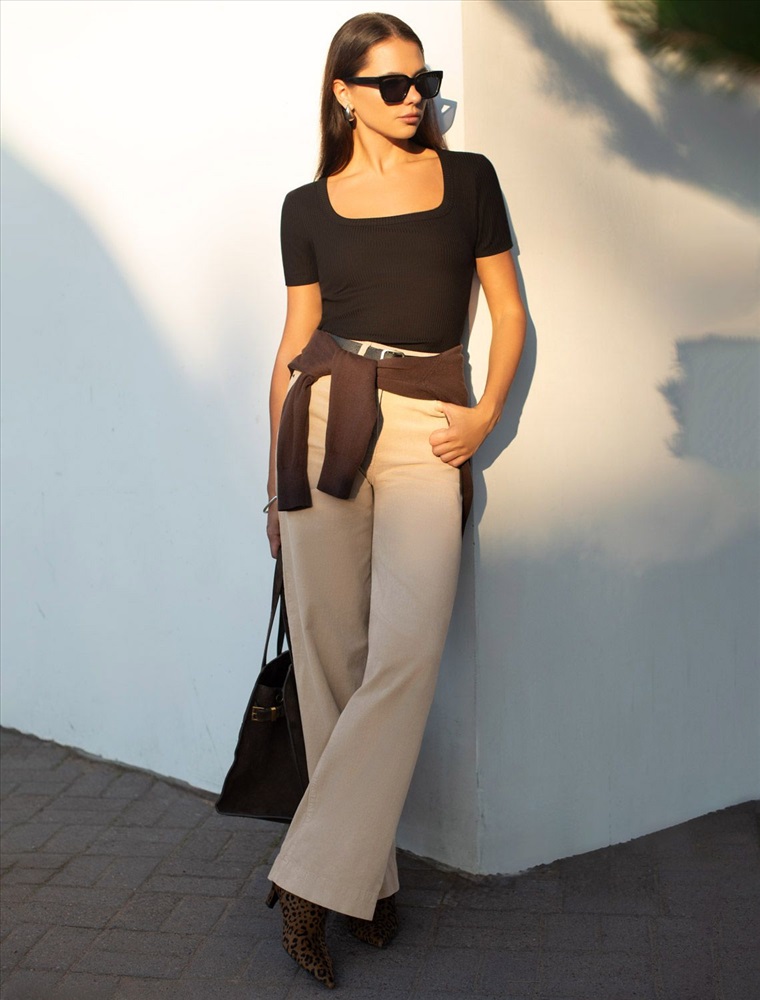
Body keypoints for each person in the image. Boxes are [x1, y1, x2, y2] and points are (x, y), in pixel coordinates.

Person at [263, 11, 525, 989]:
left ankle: (303, 879)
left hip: (426, 424)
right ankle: (363, 884)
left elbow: (508, 310)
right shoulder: (306, 206)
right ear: (344, 94)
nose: (415, 98)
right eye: (391, 84)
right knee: (329, 662)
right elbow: (293, 338)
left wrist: (484, 415)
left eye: (424, 81)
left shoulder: (469, 182)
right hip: (322, 419)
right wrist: (273, 482)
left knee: (405, 652)